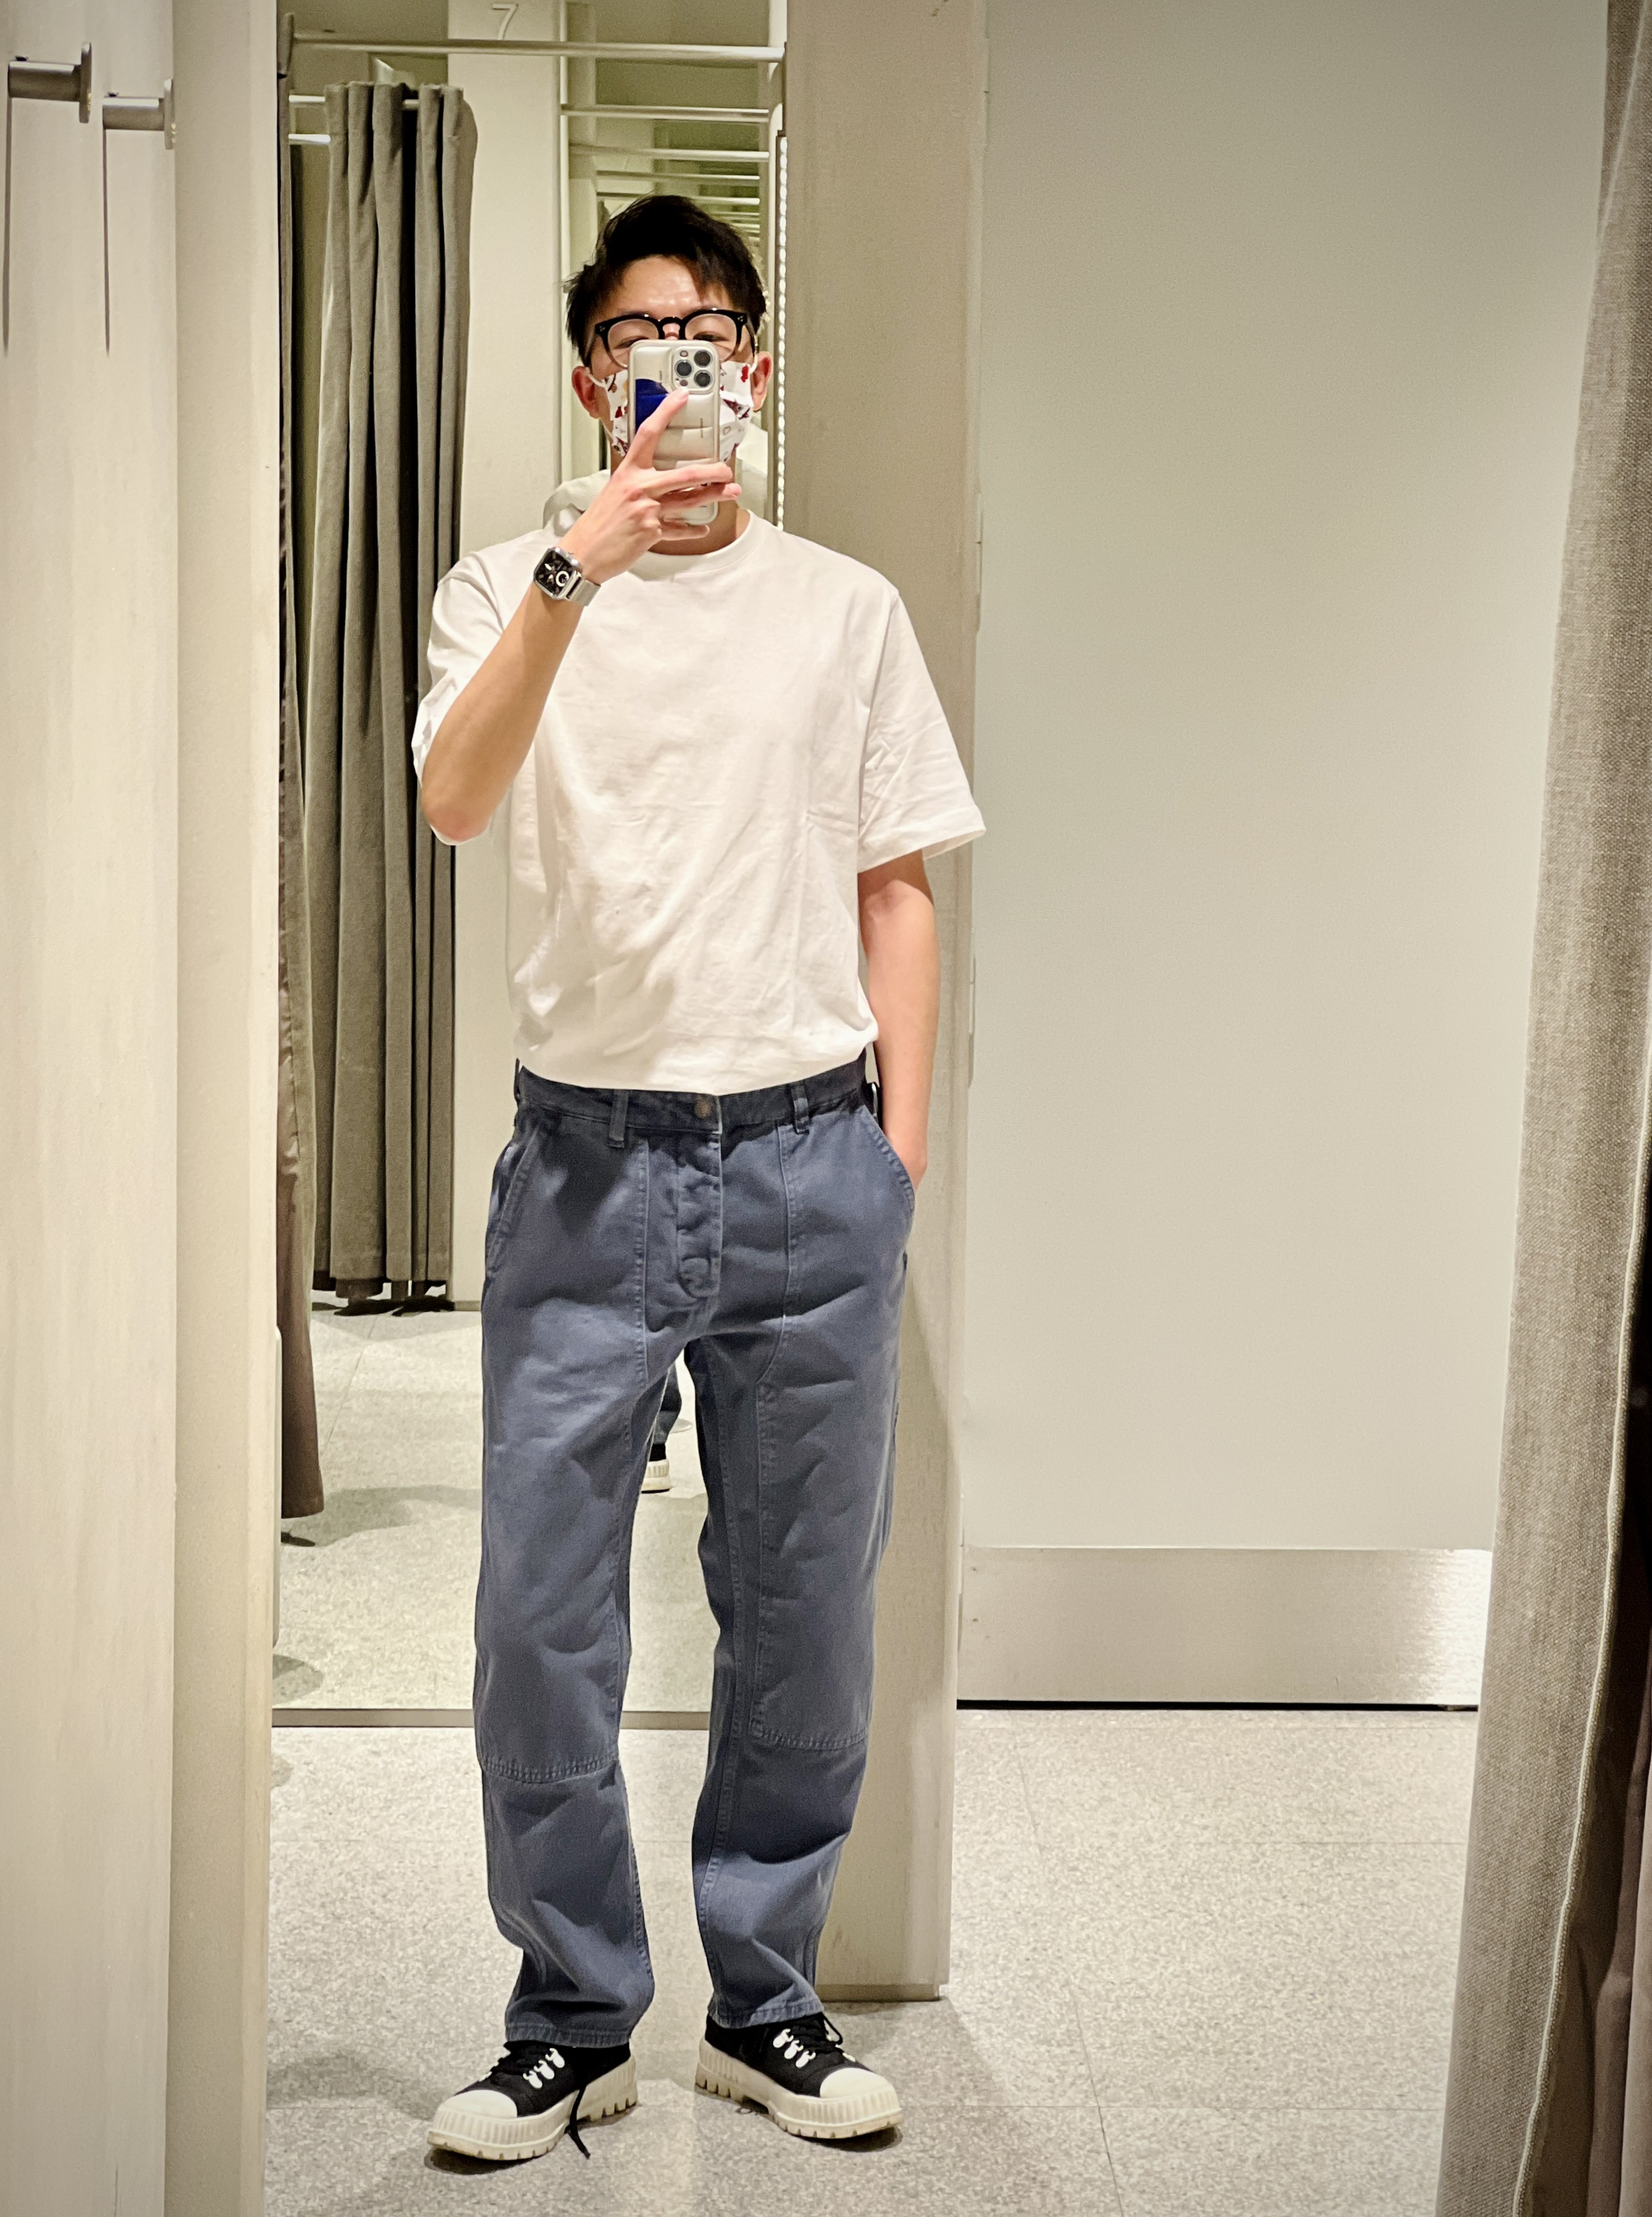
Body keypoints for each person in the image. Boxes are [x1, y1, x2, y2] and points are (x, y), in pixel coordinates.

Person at [413, 196, 985, 2166]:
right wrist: (578, 563)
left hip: (812, 1158)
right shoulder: (503, 587)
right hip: (587, 1169)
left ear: (758, 364)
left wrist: (895, 1165)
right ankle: (573, 2015)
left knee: (803, 1613)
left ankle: (765, 2002)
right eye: (641, 334)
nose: (682, 358)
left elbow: (896, 887)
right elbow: (453, 798)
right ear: (591, 374)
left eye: (715, 330)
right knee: (539, 1618)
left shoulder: (844, 608)